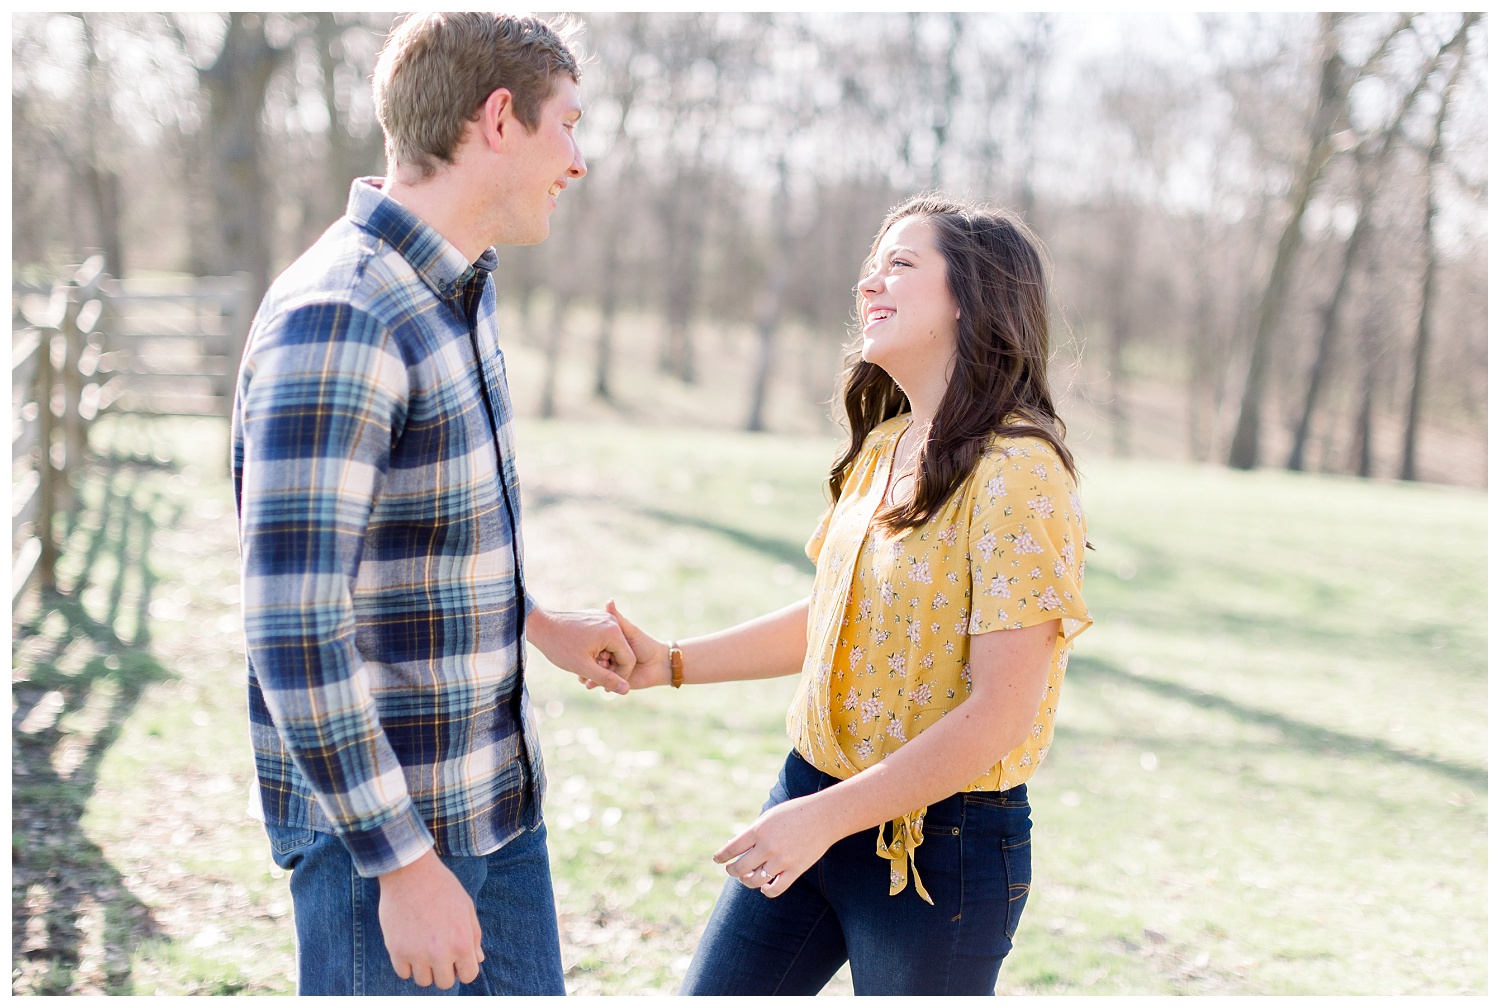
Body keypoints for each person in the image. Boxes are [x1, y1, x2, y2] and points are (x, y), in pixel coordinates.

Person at [232, 13, 637, 996]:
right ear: (498, 119)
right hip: (391, 844)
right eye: (567, 124)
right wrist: (403, 865)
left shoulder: (456, 289)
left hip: (494, 812)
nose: (577, 160)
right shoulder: (345, 313)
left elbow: (398, 543)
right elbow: (292, 626)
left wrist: (532, 621)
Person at [605, 195, 1092, 995]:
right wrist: (672, 663)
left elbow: (1001, 712)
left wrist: (827, 820)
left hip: (940, 850)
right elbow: (837, 619)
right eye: (872, 266)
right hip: (810, 795)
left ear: (974, 297)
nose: (870, 283)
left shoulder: (1021, 473)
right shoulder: (885, 445)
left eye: (900, 264)